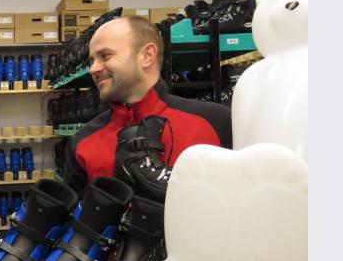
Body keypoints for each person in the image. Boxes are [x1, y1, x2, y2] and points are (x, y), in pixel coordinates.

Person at [64, 15, 232, 196]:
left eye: (105, 56)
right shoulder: (82, 142)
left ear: (147, 55)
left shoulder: (217, 122)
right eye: (92, 60)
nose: (93, 69)